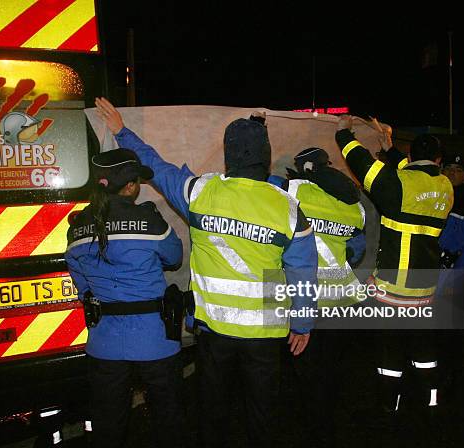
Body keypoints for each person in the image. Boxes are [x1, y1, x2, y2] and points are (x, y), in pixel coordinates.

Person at [94, 97, 318, 448]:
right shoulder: (288, 208)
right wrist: (302, 324)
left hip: (213, 332)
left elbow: (155, 165)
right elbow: (303, 270)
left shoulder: (200, 191)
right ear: (266, 155)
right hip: (265, 335)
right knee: (262, 413)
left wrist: (123, 132)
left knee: (212, 410)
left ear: (229, 155)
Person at [335, 115, 454, 444]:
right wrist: (390, 149)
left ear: (411, 158)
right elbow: (412, 173)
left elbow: (362, 164)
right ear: (440, 161)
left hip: (390, 293)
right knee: (424, 350)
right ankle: (432, 402)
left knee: (389, 352)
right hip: (424, 292)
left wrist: (344, 133)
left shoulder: (396, 186)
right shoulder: (444, 187)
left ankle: (391, 404)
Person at [65, 149, 185, 448]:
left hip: (104, 343)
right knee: (167, 417)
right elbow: (174, 257)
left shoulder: (77, 227)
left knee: (108, 423)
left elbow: (82, 284)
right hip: (155, 341)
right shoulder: (150, 221)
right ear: (130, 186)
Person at [282, 147, 367, 446]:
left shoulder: (292, 192)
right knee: (332, 368)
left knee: (307, 370)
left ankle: (315, 427)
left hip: (308, 300)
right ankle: (330, 418)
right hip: (345, 301)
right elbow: (356, 251)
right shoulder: (354, 206)